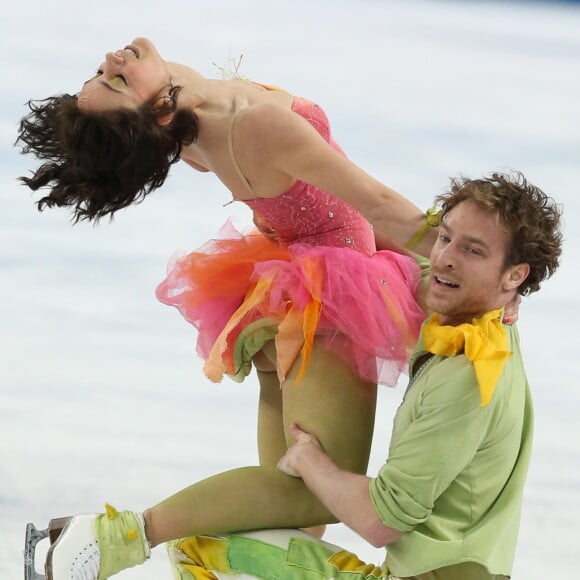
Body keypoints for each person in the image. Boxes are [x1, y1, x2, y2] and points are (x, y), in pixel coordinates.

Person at [17, 37, 444, 579]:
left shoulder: (186, 109)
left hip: (290, 287)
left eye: (103, 71)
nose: (114, 58)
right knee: (314, 497)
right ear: (159, 113)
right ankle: (110, 539)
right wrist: (480, 273)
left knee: (293, 522)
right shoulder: (250, 124)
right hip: (327, 299)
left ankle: (200, 562)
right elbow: (382, 206)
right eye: (116, 81)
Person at [155, 171, 560, 580]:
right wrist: (295, 224)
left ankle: (123, 536)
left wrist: (313, 464)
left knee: (198, 547)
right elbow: (377, 243)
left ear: (515, 275)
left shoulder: (470, 370)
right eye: (444, 237)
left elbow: (381, 521)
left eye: (473, 250)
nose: (445, 257)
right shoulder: (484, 321)